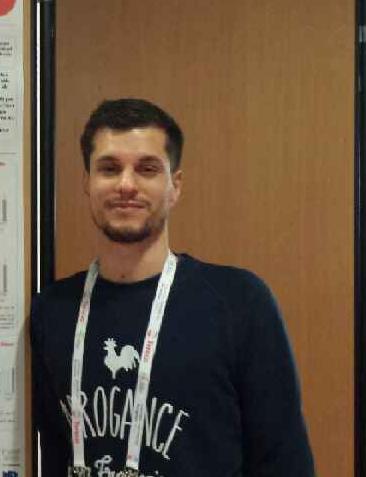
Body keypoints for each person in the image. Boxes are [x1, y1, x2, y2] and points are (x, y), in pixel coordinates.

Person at [31, 98, 314, 477]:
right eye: (109, 168)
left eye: (147, 169)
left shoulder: (240, 304)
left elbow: (285, 463)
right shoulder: (52, 311)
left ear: (174, 186)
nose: (126, 184)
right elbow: (52, 452)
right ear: (87, 183)